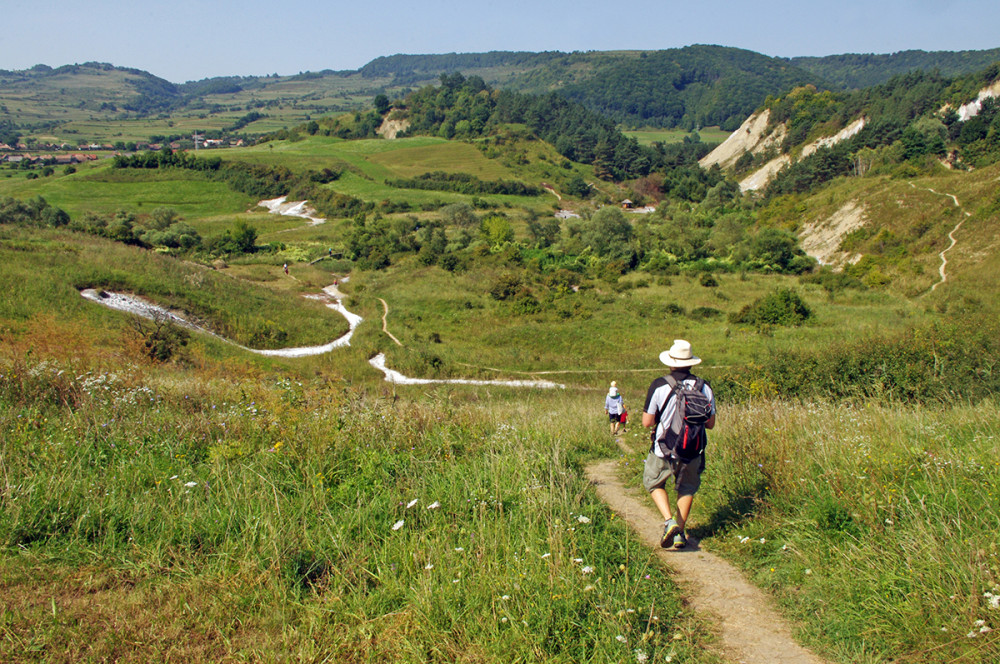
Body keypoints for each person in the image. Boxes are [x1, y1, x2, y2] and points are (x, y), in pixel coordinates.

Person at [642, 339, 716, 549]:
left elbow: (647, 422)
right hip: (693, 448)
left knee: (653, 482)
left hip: (663, 447)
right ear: (691, 362)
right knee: (687, 488)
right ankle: (680, 533)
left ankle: (669, 521)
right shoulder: (704, 386)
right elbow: (710, 423)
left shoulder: (659, 385)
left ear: (671, 362)